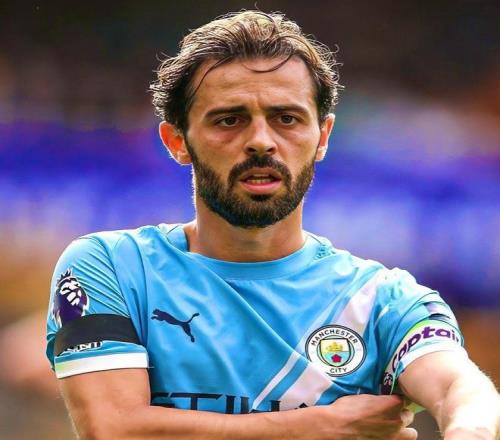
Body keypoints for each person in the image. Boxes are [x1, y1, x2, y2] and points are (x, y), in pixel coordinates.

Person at [46, 11, 499, 440]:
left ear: (322, 136)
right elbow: (114, 428)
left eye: (286, 119)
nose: (261, 141)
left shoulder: (381, 301)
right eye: (229, 120)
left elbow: (461, 390)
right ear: (177, 141)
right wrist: (316, 428)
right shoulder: (113, 267)